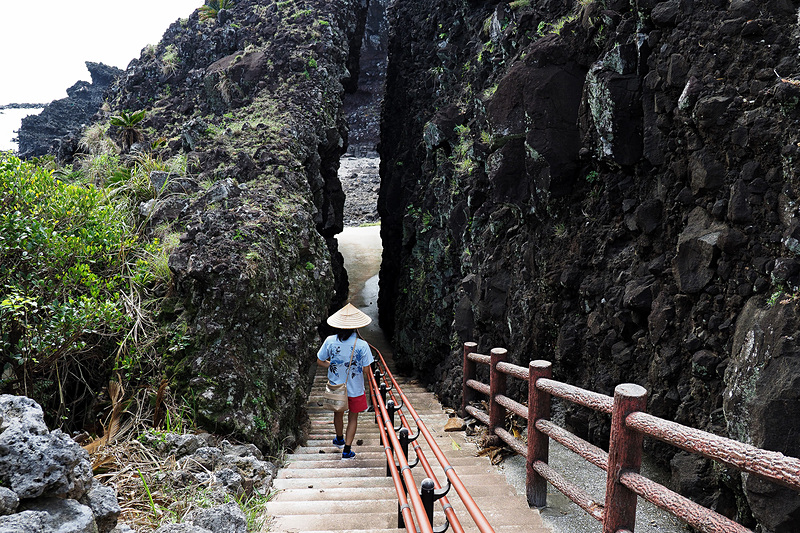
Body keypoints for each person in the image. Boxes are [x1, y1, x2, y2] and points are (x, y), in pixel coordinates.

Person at [317, 303, 375, 459]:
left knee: (338, 413)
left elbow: (320, 361)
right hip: (355, 388)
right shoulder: (362, 345)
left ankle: (339, 439)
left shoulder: (330, 341)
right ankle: (347, 450)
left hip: (336, 387)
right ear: (357, 327)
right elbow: (366, 370)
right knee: (353, 418)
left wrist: (332, 365)